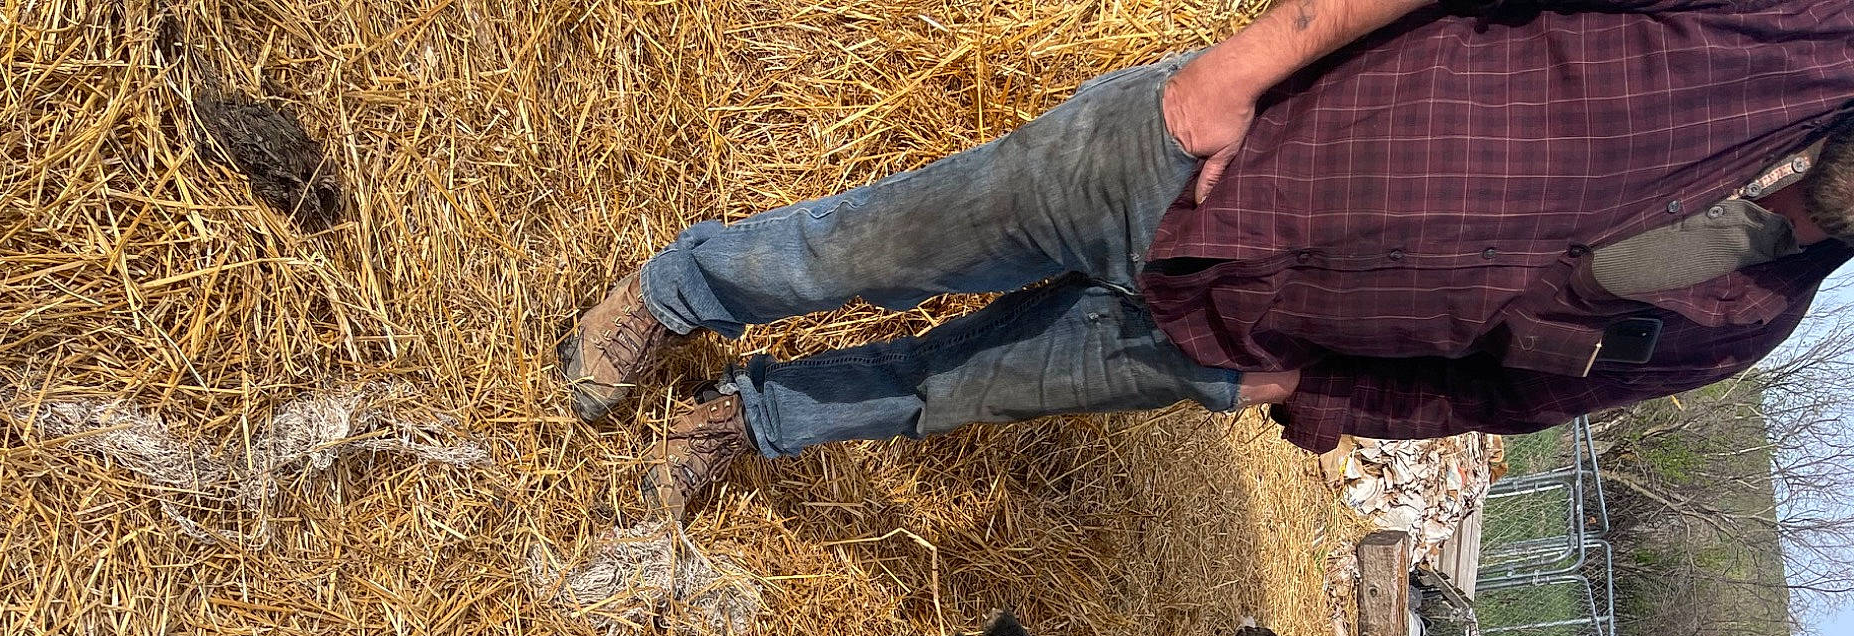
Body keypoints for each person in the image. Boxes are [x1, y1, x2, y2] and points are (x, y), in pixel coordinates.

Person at [557, 0, 1854, 515]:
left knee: (949, 388)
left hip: (1231, 341)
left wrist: (1304, 389)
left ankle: (749, 418)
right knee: (879, 247)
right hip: (1199, 158)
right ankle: (679, 293)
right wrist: (1240, 67)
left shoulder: (1741, 318)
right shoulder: (1799, 25)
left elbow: (1499, 397)